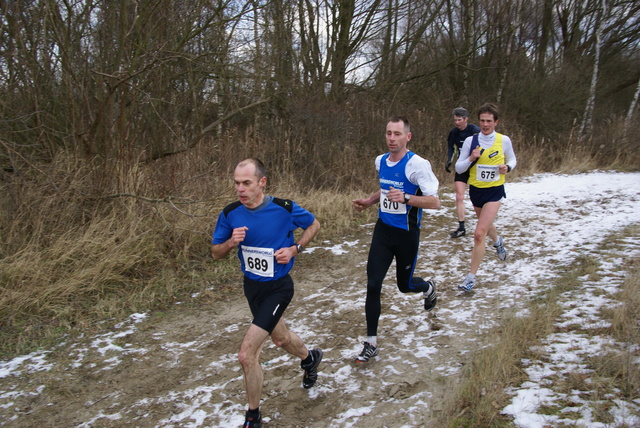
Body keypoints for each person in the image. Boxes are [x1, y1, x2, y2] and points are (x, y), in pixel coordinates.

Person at [211, 158, 322, 428]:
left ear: (262, 183)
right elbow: (215, 253)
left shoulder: (284, 208)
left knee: (246, 354)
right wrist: (230, 242)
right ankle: (310, 358)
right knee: (281, 339)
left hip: (279, 288)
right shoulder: (230, 213)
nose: (240, 189)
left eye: (246, 183)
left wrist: (296, 249)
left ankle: (253, 416)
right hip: (252, 288)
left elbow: (314, 224)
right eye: (236, 183)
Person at [352, 115, 441, 363]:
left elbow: (434, 201)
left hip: (406, 235)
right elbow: (384, 188)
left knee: (405, 286)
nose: (392, 138)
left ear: (408, 137)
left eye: (397, 134)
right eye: (389, 133)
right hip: (383, 231)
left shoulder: (418, 165)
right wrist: (370, 201)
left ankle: (428, 287)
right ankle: (371, 342)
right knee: (373, 284)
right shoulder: (381, 161)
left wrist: (407, 198)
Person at [454, 103, 517, 292]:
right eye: (482, 120)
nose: (485, 124)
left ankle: (470, 277)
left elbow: (512, 159)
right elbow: (459, 168)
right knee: (487, 225)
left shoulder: (503, 140)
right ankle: (498, 242)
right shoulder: (470, 142)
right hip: (477, 191)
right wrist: (471, 158)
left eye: (489, 121)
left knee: (479, 232)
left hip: (495, 191)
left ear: (496, 122)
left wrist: (508, 167)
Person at [445, 107, 481, 238]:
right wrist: (449, 160)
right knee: (459, 196)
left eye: (459, 120)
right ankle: (461, 227)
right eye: (455, 120)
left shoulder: (475, 131)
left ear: (466, 119)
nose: (457, 122)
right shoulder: (453, 133)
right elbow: (451, 147)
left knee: (477, 197)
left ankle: (485, 222)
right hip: (462, 166)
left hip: (476, 166)